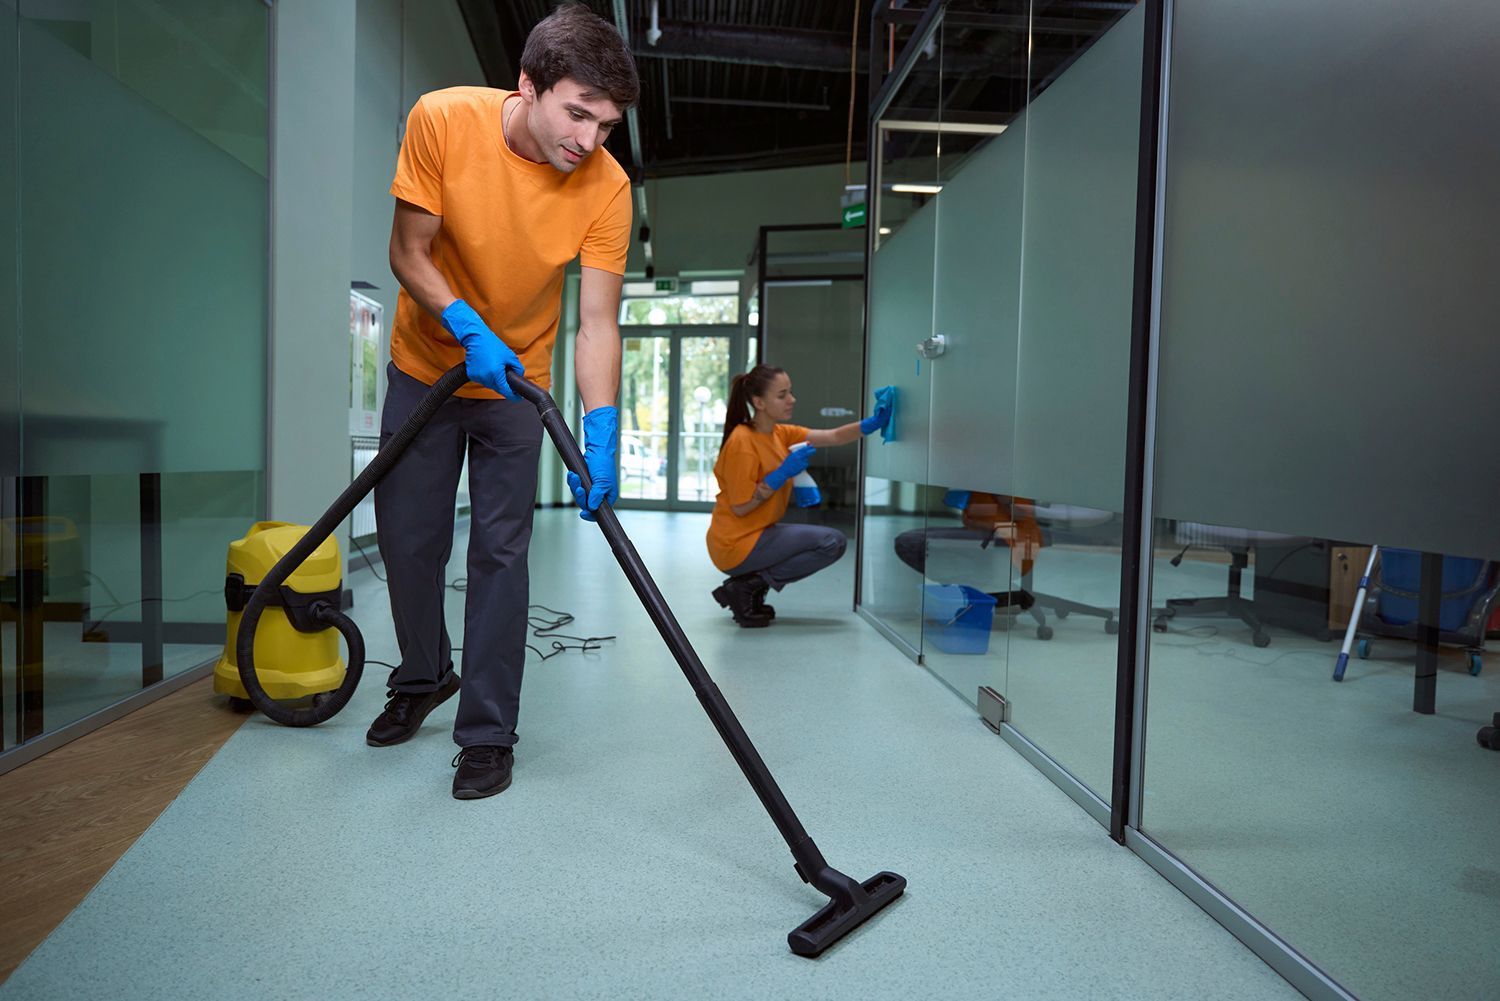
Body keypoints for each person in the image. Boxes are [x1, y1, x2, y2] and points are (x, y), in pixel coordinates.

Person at [369, 4, 638, 800]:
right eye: (577, 113)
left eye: (607, 125)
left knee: (501, 555)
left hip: (518, 384)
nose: (588, 141)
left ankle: (487, 733)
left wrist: (602, 428)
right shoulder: (443, 120)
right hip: (427, 364)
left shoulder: (608, 188)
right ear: (528, 85)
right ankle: (423, 674)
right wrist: (461, 324)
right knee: (409, 541)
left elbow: (596, 321)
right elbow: (406, 250)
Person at [705, 365, 892, 627]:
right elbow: (741, 508)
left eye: (790, 392)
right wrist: (780, 475)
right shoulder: (742, 443)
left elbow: (834, 436)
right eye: (782, 395)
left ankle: (749, 587)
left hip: (757, 533)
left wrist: (872, 424)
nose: (791, 400)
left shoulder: (779, 433)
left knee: (830, 541)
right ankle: (748, 586)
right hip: (735, 544)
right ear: (759, 402)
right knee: (831, 542)